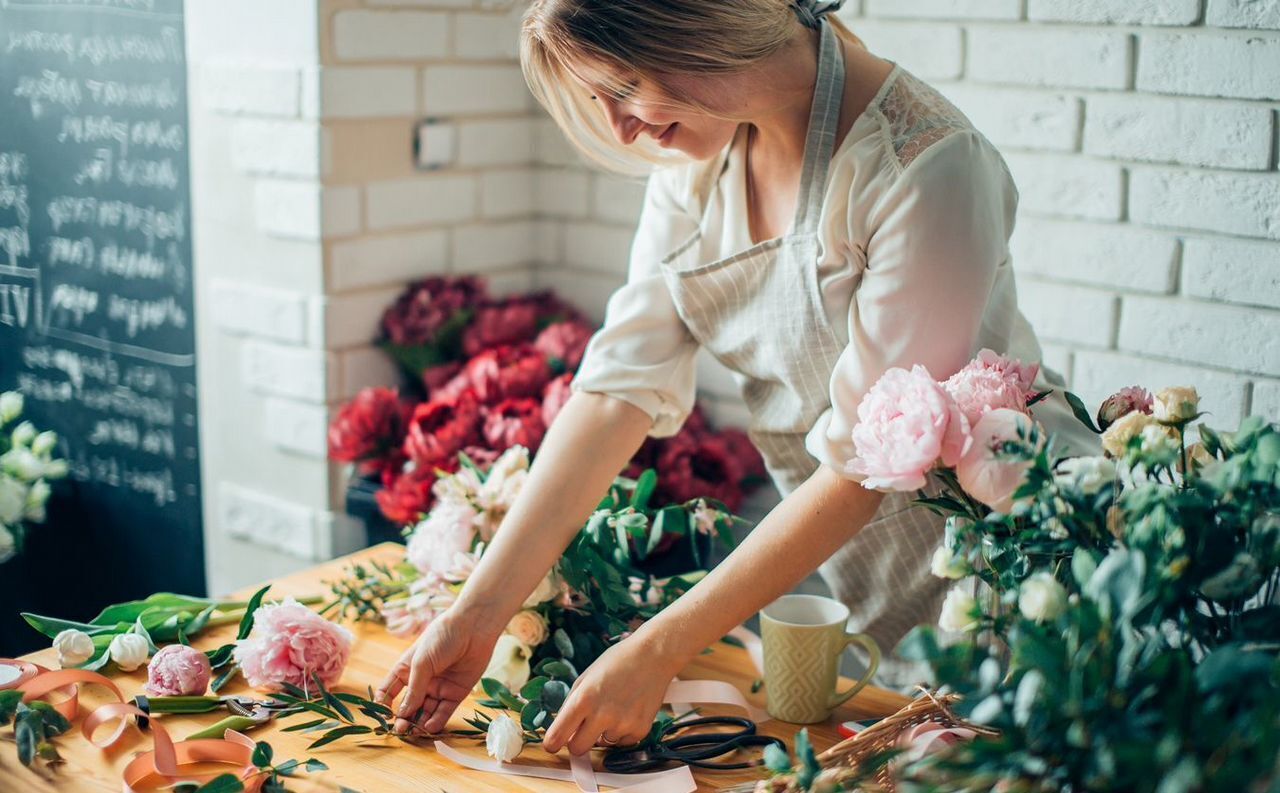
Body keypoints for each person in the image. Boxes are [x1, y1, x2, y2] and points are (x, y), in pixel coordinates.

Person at [375, 0, 1098, 756]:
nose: (622, 129)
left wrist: (659, 650)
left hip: (1015, 564)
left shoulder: (927, 165)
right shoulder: (694, 166)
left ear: (697, 23)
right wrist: (479, 611)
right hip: (874, 580)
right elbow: (616, 388)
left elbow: (863, 466)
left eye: (626, 87)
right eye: (600, 101)